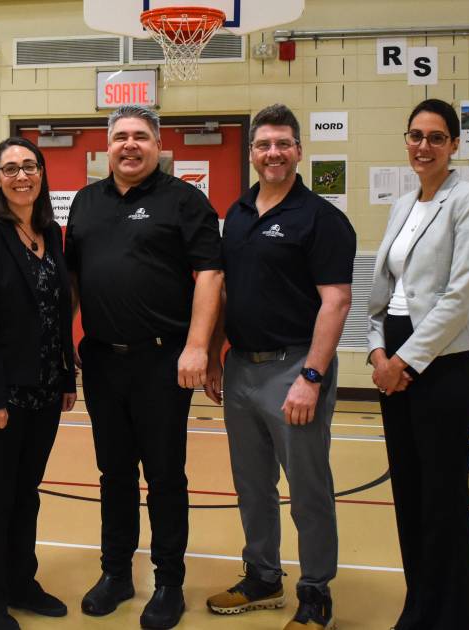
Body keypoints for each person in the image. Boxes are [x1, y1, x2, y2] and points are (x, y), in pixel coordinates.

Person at [65, 104, 223, 630]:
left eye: (140, 137)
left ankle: (169, 583)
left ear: (158, 146)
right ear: (106, 147)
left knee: (164, 477)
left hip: (163, 361)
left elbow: (209, 276)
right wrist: (65, 348)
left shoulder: (184, 201)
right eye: (119, 137)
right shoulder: (85, 204)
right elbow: (70, 284)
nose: (129, 145)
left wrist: (198, 346)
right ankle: (115, 574)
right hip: (104, 361)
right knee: (113, 475)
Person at [204, 104, 354, 630]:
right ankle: (263, 577)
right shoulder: (239, 214)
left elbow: (335, 303)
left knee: (308, 488)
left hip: (296, 370)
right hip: (241, 368)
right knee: (252, 484)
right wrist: (218, 355)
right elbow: (226, 293)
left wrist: (311, 377)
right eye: (264, 145)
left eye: (283, 144)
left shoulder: (322, 219)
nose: (274, 153)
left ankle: (316, 591)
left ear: (298, 150)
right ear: (252, 154)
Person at [367, 98, 469, 630]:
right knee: (409, 496)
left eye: (436, 137)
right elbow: (383, 293)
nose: (423, 146)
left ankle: (451, 615)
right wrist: (376, 352)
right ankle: (418, 605)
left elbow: (458, 295)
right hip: (393, 361)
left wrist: (406, 364)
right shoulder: (402, 205)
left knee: (443, 501)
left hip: (441, 369)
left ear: (455, 144)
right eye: (416, 135)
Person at [0, 137, 78, 630]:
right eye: (10, 168)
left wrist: (67, 373)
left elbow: (59, 310)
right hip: (2, 393)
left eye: (30, 166)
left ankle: (20, 582)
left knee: (27, 491)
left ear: (42, 173)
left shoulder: (51, 232)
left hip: (46, 388)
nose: (21, 175)